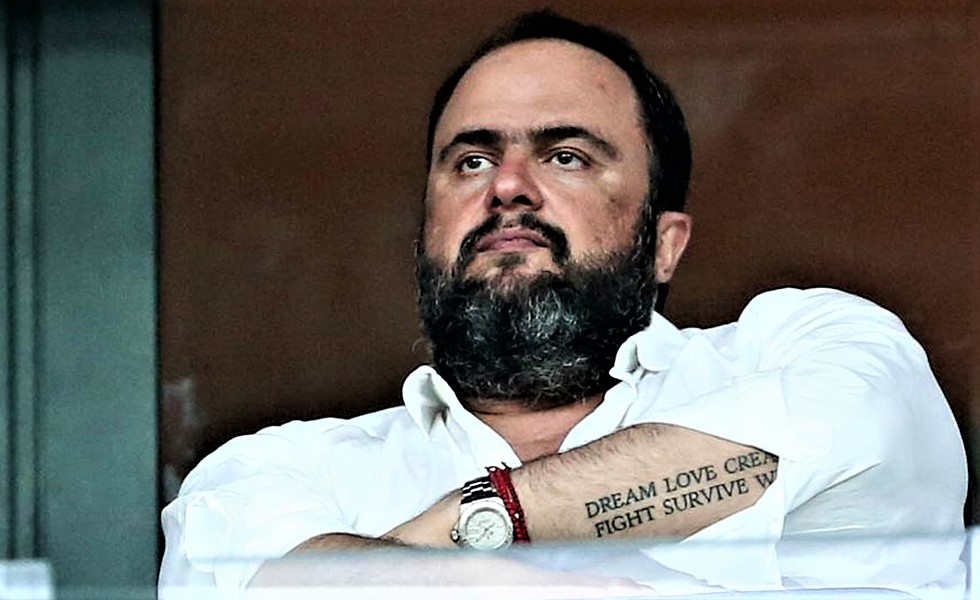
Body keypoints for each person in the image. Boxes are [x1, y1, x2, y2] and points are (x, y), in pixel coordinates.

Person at [159, 9, 967, 596]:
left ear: (665, 243)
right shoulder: (280, 470)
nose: (509, 186)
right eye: (472, 161)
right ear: (426, 227)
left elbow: (860, 418)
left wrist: (466, 529)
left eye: (567, 155)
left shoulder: (804, 347)